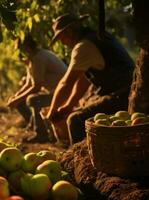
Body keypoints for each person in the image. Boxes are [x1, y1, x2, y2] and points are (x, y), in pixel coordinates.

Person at [46, 13, 134, 145]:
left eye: (61, 37)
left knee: (75, 121)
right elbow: (84, 80)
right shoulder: (96, 38)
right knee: (82, 107)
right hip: (125, 90)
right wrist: (68, 106)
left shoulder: (83, 47)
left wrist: (52, 111)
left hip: (122, 95)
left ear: (69, 31)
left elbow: (66, 83)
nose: (62, 42)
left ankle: (80, 160)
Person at [7, 34, 67, 142]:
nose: (19, 56)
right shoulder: (32, 61)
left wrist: (17, 100)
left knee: (33, 100)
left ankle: (42, 134)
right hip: (54, 92)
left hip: (63, 92)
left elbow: (36, 87)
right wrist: (15, 97)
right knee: (21, 102)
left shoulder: (39, 58)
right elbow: (29, 84)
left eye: (21, 51)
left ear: (27, 48)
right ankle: (36, 125)